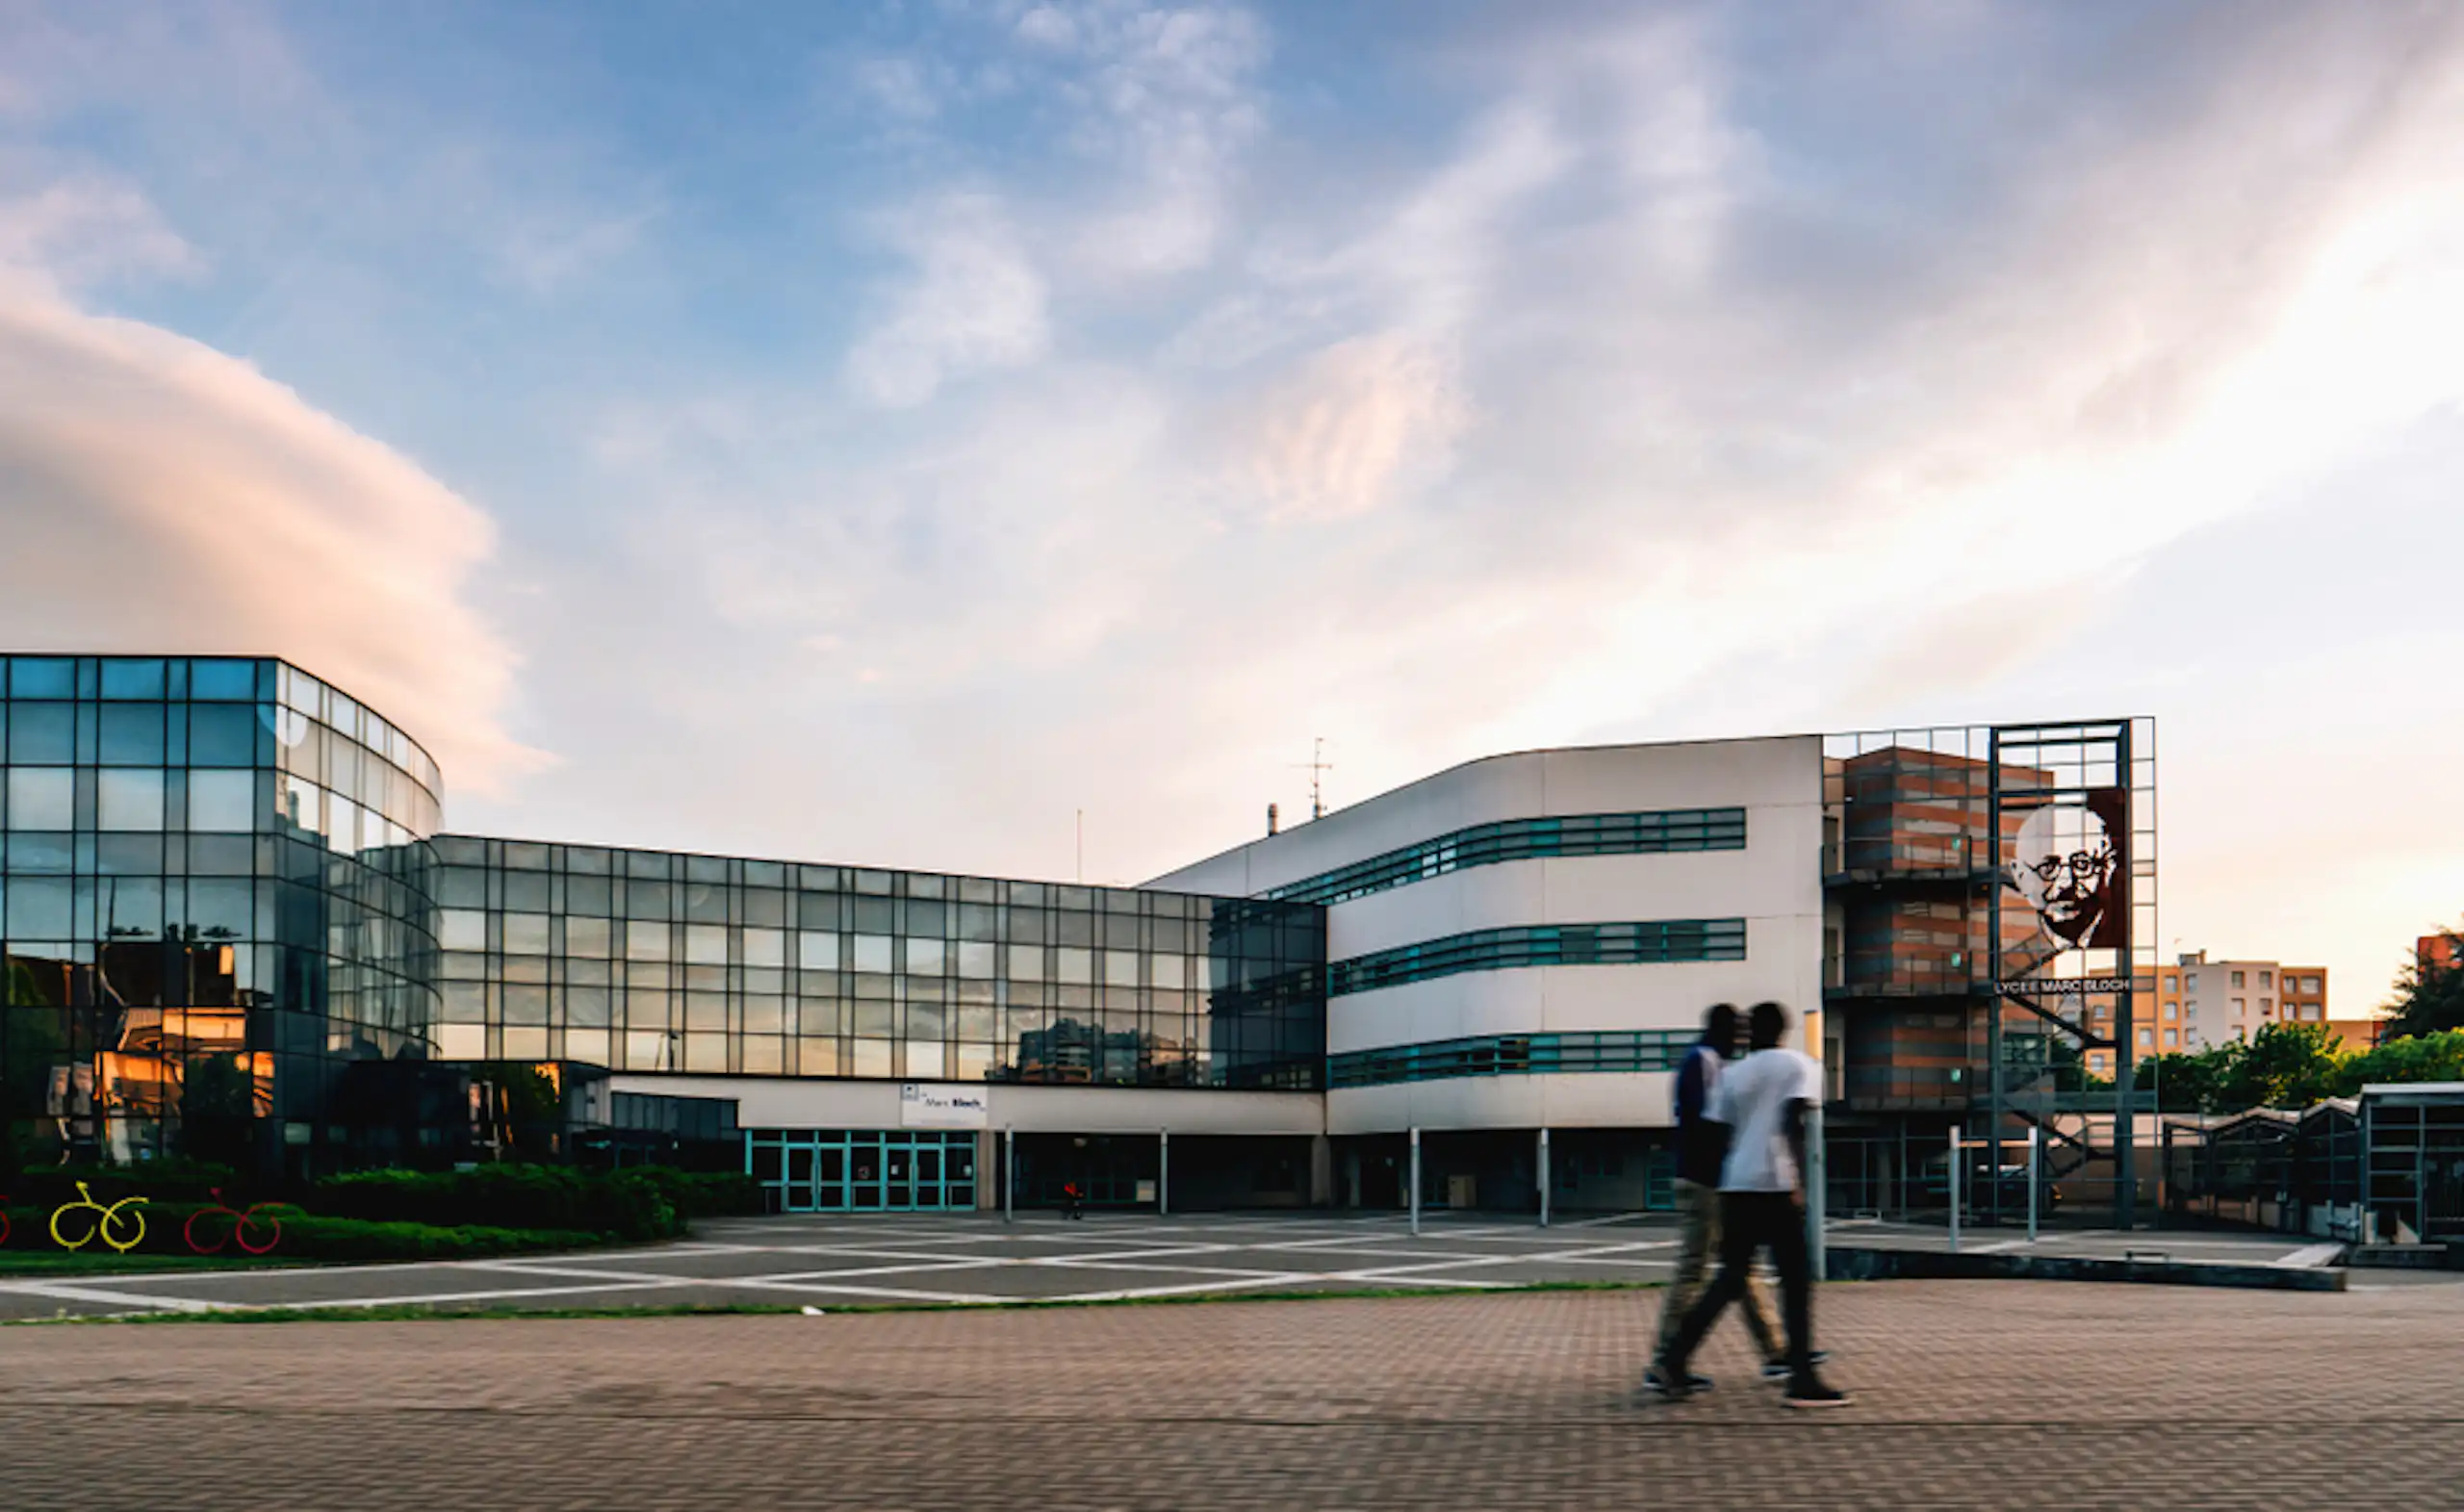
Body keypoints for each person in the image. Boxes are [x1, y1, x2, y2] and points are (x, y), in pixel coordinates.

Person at [1651, 1001, 1849, 1408]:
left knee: (1730, 1277)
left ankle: (1673, 1358)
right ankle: (1801, 1376)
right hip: (1775, 1182)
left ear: (1753, 1032)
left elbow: (1716, 1130)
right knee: (1795, 1279)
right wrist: (1798, 1179)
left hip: (1735, 1184)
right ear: (1783, 1029)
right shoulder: (1799, 1065)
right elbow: (1792, 1122)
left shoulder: (1732, 1074)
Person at [1649, 1003, 1784, 1393]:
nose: (1742, 1041)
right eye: (1738, 1033)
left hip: (1709, 1179)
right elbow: (1710, 1125)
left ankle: (1776, 1352)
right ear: (1723, 1031)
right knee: (1697, 1269)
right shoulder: (1706, 1063)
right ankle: (1665, 1359)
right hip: (1706, 1181)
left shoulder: (1705, 1061)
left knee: (1741, 1266)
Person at [2009, 800, 2124, 949]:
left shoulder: (2128, 934)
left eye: (2082, 864)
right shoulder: (2020, 951)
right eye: (2049, 867)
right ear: (2021, 876)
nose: (2067, 881)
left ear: (2107, 867)